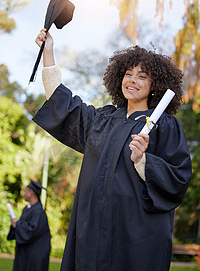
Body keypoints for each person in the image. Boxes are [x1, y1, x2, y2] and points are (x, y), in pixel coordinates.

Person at [33, 29, 192, 271]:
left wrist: (144, 161)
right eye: (128, 74)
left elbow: (178, 178)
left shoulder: (164, 126)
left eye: (142, 76)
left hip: (135, 235)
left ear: (155, 84)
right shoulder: (103, 119)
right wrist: (48, 52)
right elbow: (63, 105)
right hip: (92, 228)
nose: (132, 80)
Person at [7, 180, 51, 271]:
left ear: (31, 193)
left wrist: (17, 224)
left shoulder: (39, 212)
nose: (23, 194)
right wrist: (15, 224)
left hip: (35, 254)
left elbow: (32, 230)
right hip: (26, 252)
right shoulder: (27, 209)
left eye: (25, 191)